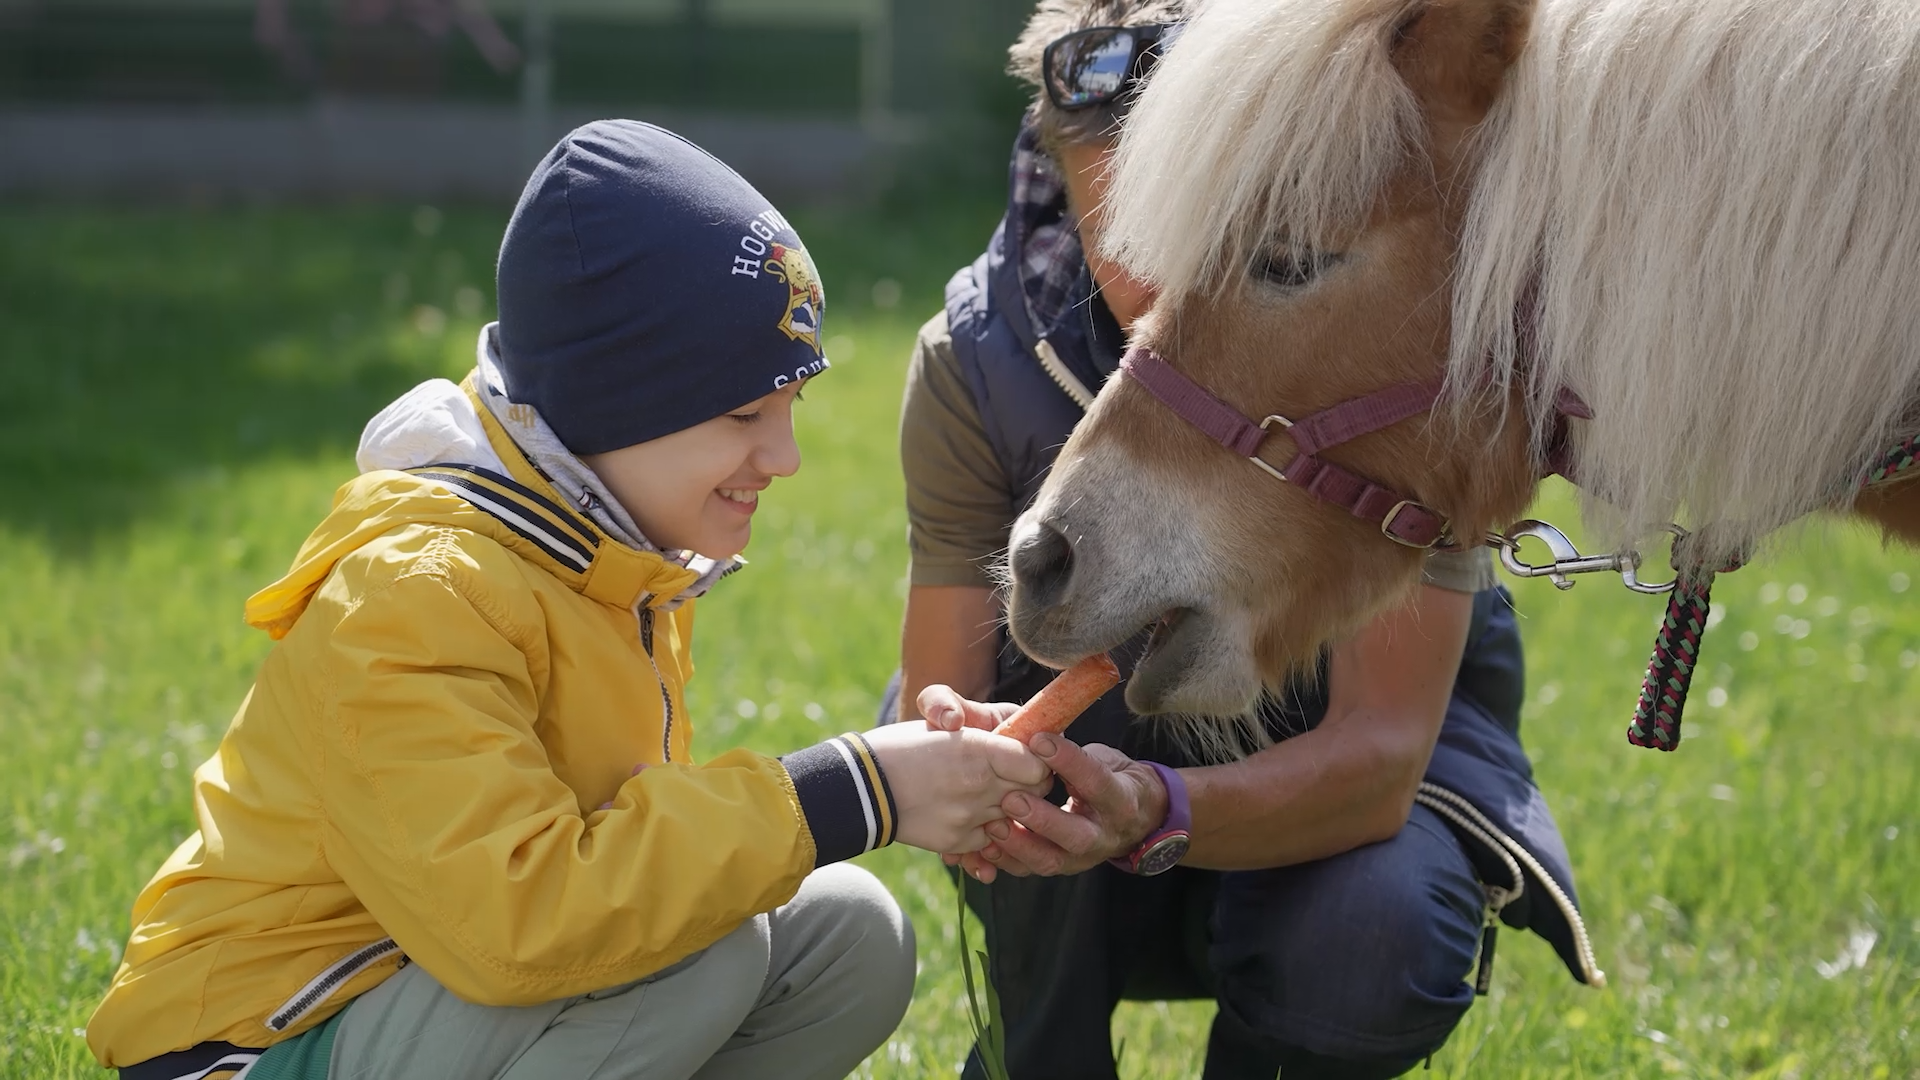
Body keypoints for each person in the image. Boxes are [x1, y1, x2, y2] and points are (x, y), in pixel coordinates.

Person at [88, 120, 1053, 1080]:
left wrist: (907, 778)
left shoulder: (603, 547)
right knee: (686, 955)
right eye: (743, 413)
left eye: (789, 407)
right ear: (613, 402)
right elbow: (521, 924)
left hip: (429, 1001)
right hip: (251, 1047)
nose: (785, 456)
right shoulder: (418, 589)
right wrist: (857, 789)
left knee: (850, 937)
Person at [887, 4, 1604, 1078]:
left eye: (1211, 233)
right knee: (1014, 794)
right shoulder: (971, 366)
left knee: (1375, 933)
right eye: (1120, 239)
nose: (1164, 285)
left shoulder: (1389, 344)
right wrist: (974, 756)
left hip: (1331, 831)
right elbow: (931, 697)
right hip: (1086, 873)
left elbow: (1378, 756)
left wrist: (1153, 811)